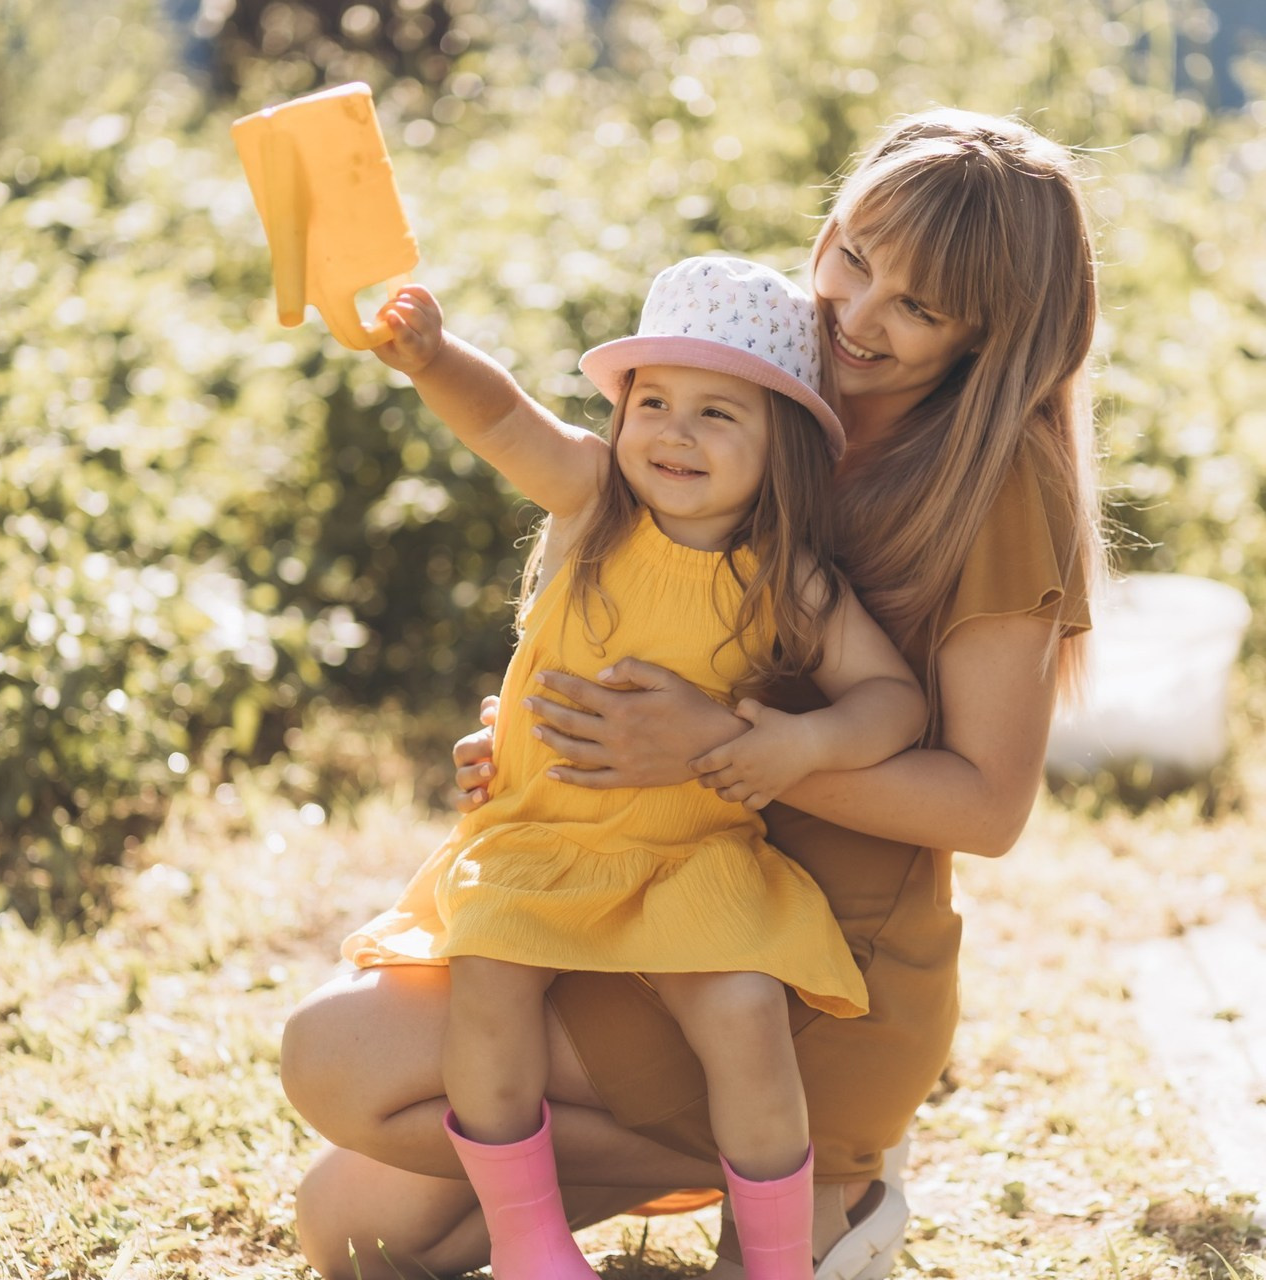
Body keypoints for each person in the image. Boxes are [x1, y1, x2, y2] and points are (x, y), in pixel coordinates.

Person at [279, 107, 1102, 1280]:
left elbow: (985, 807)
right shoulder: (753, 372)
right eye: (853, 260)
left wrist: (712, 747)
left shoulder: (997, 484)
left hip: (804, 953)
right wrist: (541, 737)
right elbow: (610, 555)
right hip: (636, 874)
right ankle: (774, 1170)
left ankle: (814, 1164)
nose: (855, 316)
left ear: (988, 336)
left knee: (339, 1054)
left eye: (916, 309)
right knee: (348, 1231)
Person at [335, 254, 927, 1280]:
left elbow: (893, 699)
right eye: (650, 401)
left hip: (686, 847)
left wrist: (798, 741)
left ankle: (779, 1256)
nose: (671, 432)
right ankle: (528, 1243)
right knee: (489, 981)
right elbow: (506, 421)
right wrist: (432, 359)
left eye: (715, 413)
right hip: (540, 838)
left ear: (779, 443)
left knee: (741, 1007)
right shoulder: (595, 503)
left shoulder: (781, 574)